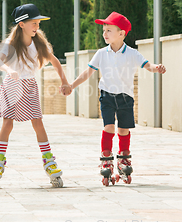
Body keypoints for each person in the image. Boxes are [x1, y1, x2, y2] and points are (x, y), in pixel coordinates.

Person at [62, 12, 166, 185]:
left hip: (126, 98)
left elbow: (147, 66)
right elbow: (88, 72)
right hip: (107, 96)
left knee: (123, 130)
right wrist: (72, 85)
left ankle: (124, 157)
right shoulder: (101, 53)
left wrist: (157, 67)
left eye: (109, 30)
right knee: (109, 127)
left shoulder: (132, 53)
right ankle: (106, 157)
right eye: (104, 30)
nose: (104, 33)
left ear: (121, 33)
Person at [0, 3, 71, 189]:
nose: (37, 26)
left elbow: (55, 61)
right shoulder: (11, 44)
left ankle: (49, 162)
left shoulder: (38, 43)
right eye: (33, 23)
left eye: (38, 23)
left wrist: (64, 81)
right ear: (22, 24)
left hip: (30, 86)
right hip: (12, 86)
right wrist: (9, 70)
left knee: (38, 122)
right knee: (7, 123)